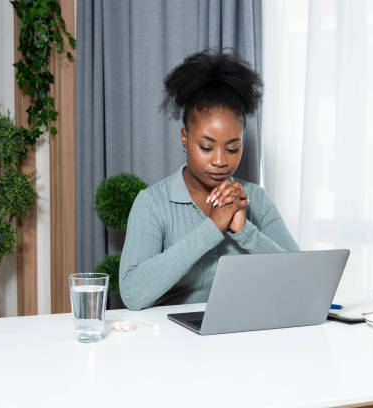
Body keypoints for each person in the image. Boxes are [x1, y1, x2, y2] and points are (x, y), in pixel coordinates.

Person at [119, 51, 299, 310]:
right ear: (185, 138)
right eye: (206, 147)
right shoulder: (152, 204)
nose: (220, 161)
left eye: (233, 148)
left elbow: (302, 278)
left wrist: (245, 231)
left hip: (246, 334)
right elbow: (133, 294)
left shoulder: (256, 200)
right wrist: (212, 228)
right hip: (172, 341)